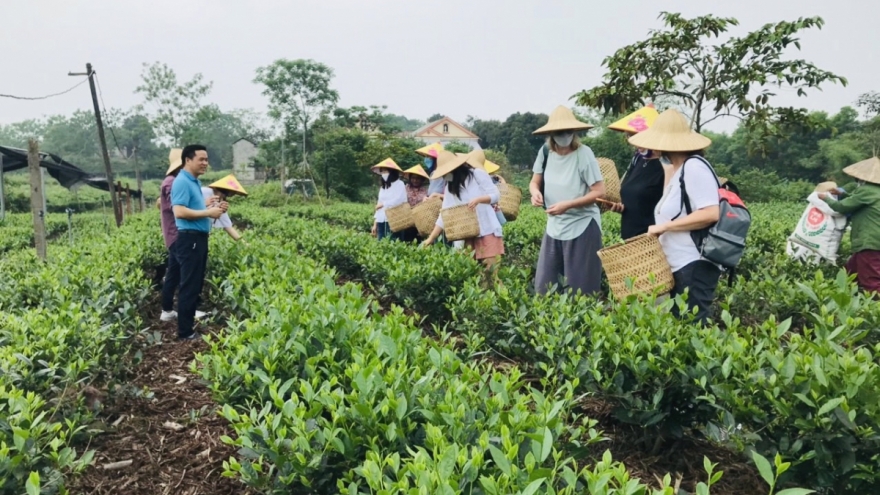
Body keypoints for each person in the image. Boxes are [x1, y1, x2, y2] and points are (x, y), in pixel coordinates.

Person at [629, 109, 721, 325]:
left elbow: (710, 213)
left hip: (693, 263)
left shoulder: (694, 167)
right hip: (678, 265)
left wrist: (664, 227)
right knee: (680, 329)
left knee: (694, 328)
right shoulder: (678, 170)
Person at [529, 106, 606, 296]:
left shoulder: (583, 153)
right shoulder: (546, 152)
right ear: (551, 134)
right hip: (555, 225)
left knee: (581, 289)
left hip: (582, 224)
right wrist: (534, 193)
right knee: (545, 286)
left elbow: (599, 191)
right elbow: (534, 181)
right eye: (560, 132)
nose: (565, 135)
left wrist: (568, 205)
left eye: (568, 131)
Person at [422, 150, 504, 286]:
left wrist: (479, 199)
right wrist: (430, 238)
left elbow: (496, 195)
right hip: (468, 234)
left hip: (487, 230)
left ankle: (504, 304)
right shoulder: (450, 187)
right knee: (476, 277)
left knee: (492, 274)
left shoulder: (477, 174)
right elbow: (445, 214)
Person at [171, 144, 226, 340]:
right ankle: (185, 332)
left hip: (199, 238)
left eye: (206, 159)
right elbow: (179, 212)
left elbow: (191, 207)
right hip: (190, 239)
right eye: (201, 159)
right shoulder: (182, 182)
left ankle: (189, 326)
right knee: (189, 285)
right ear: (188, 160)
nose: (205, 163)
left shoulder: (192, 181)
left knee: (195, 284)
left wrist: (209, 205)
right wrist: (208, 212)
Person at [818, 157, 880, 294]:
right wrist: (843, 194)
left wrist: (824, 198)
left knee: (872, 284)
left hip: (870, 243)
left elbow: (842, 207)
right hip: (871, 244)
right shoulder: (875, 191)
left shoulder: (867, 190)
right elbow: (857, 200)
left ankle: (875, 312)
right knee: (847, 276)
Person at [158, 148, 206, 323]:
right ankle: (188, 315)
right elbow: (179, 208)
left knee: (174, 274)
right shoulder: (175, 182)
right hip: (179, 234)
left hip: (172, 235)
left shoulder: (170, 181)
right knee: (188, 278)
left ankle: (167, 310)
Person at [606, 104, 665, 239]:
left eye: (636, 136)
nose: (633, 141)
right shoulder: (638, 160)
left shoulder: (666, 165)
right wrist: (620, 206)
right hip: (630, 235)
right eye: (629, 136)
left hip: (652, 238)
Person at [201, 174, 248, 243]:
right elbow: (185, 210)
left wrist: (244, 243)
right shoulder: (203, 192)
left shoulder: (220, 203)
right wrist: (205, 205)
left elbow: (228, 226)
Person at [370, 158, 408, 241]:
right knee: (381, 242)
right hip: (381, 220)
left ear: (392, 172)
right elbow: (379, 205)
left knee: (393, 242)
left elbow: (400, 200)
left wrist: (384, 204)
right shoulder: (383, 187)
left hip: (394, 220)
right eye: (382, 171)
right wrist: (375, 224)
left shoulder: (399, 184)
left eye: (385, 171)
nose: (383, 174)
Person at [400, 164, 430, 243]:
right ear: (410, 178)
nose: (415, 180)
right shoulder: (405, 188)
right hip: (407, 220)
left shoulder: (425, 191)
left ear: (422, 180)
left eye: (418, 178)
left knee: (418, 241)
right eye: (413, 178)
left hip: (419, 222)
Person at [484, 159, 507, 226]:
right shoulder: (491, 179)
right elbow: (503, 187)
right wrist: (501, 178)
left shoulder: (483, 179)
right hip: (493, 203)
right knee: (499, 223)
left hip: (486, 203)